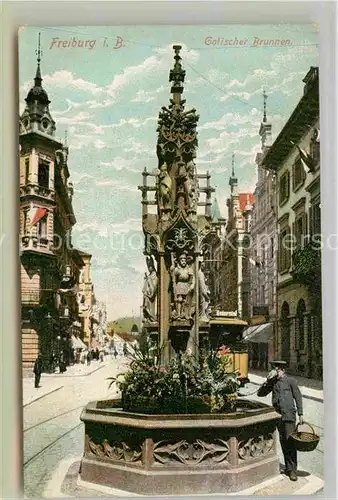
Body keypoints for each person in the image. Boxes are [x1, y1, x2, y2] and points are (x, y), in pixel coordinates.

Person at [257, 360, 304, 482]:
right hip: (278, 417)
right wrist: (267, 381)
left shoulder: (291, 381)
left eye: (276, 369)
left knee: (291, 443)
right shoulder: (273, 382)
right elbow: (260, 394)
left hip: (289, 416)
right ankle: (288, 468)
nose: (274, 371)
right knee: (283, 442)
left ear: (282, 370)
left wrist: (301, 414)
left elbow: (298, 397)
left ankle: (293, 471)